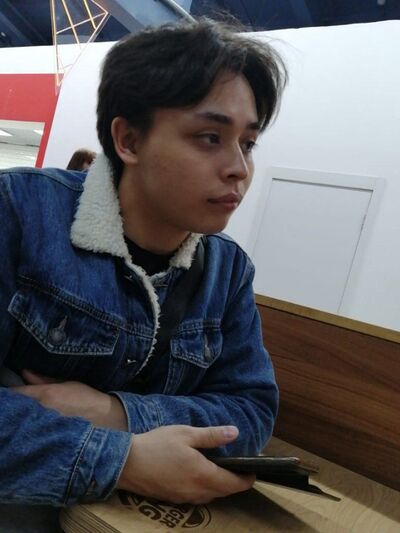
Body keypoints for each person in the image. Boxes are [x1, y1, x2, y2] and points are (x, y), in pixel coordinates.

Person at [0, 17, 287, 514]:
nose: (239, 169)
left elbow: (250, 410)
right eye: (209, 137)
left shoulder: (228, 271)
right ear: (129, 141)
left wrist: (115, 413)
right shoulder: (20, 212)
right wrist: (123, 459)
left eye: (248, 143)